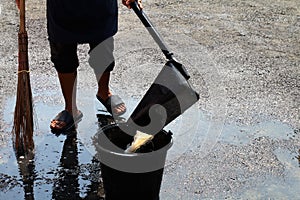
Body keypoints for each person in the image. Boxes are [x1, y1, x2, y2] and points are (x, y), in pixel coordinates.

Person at [15, 0, 143, 132]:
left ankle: (104, 93)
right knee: (62, 53)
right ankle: (71, 109)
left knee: (103, 50)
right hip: (62, 9)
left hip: (100, 7)